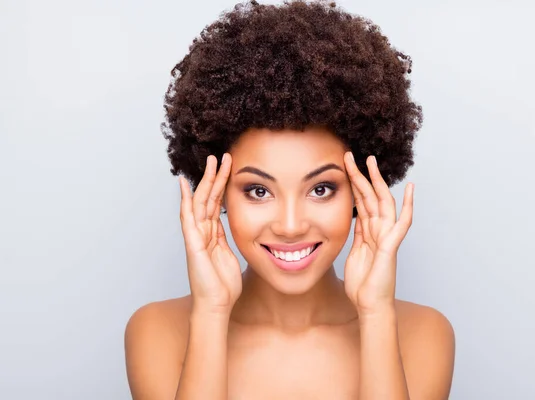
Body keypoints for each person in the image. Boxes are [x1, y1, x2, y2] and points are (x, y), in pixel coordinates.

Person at [124, 1, 455, 399]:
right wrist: (211, 313)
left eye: (321, 189)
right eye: (258, 191)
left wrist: (376, 314)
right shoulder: (159, 330)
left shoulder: (422, 333)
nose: (291, 225)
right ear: (217, 193)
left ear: (362, 189)